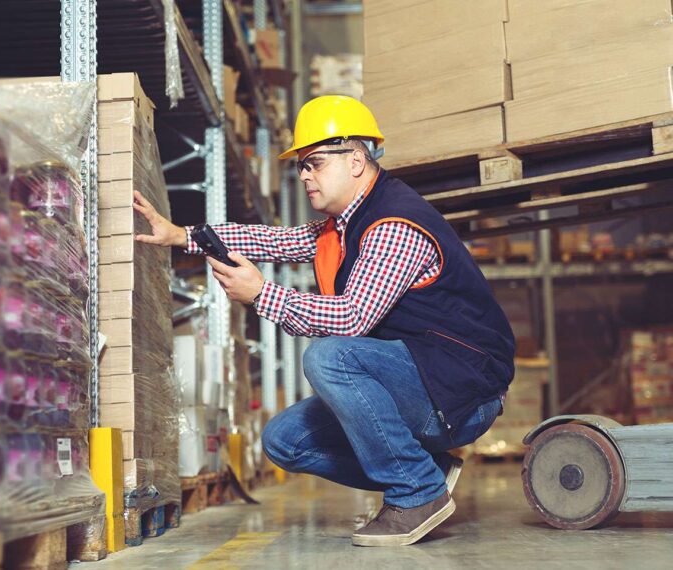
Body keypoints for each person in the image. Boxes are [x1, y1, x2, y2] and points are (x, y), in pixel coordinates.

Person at [133, 95, 515, 547]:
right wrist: (185, 236)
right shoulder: (344, 223)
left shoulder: (394, 223)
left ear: (356, 160)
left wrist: (261, 294)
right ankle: (423, 468)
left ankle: (417, 493)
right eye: (301, 166)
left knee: (332, 356)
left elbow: (353, 317)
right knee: (284, 441)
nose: (304, 175)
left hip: (462, 392)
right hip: (421, 378)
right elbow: (276, 241)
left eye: (313, 162)